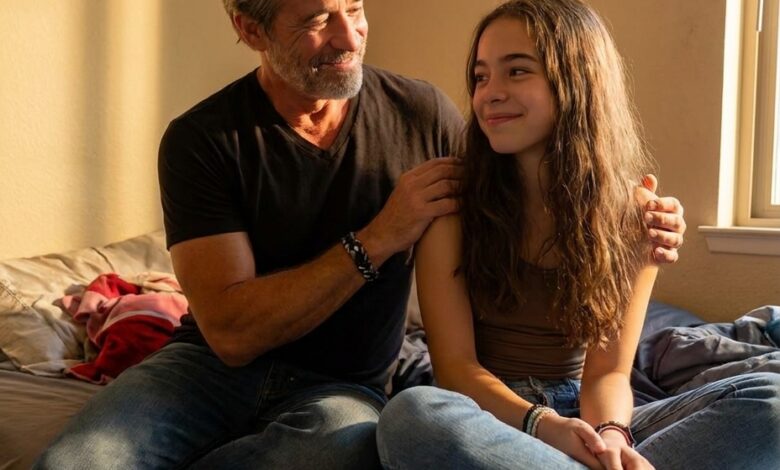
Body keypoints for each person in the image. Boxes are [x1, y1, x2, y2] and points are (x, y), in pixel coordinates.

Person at [35, 1, 687, 469]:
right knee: (77, 460)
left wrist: (638, 221)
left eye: (355, 7)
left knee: (349, 447)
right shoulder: (203, 139)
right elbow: (231, 334)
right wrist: (377, 237)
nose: (348, 35)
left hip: (346, 382)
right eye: (318, 18)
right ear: (250, 29)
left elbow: (513, 183)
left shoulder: (422, 114)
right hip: (209, 368)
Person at [376, 1, 780, 469]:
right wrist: (545, 426)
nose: (490, 94)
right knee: (411, 416)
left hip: (584, 416)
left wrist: (611, 436)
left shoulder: (635, 214)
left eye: (516, 71)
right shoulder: (452, 204)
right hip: (492, 417)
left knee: (770, 400)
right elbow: (456, 371)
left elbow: (608, 373)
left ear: (576, 80)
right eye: (481, 77)